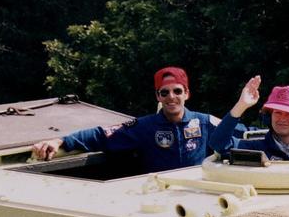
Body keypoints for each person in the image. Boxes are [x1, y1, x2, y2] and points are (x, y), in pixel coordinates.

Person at [30, 66, 227, 171]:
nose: (171, 97)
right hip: (159, 198)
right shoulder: (144, 127)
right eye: (164, 92)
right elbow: (102, 135)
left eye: (177, 91)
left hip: (199, 195)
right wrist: (60, 140)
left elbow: (238, 134)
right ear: (158, 96)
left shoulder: (205, 122)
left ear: (187, 93)